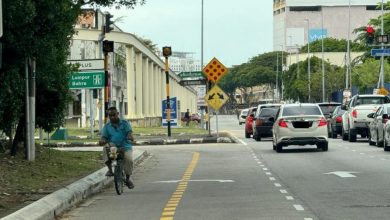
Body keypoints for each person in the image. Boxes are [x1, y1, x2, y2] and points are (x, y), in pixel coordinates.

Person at [99, 107, 135, 189]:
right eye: (110, 115)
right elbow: (104, 137)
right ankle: (110, 170)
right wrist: (102, 140)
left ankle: (128, 179)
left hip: (125, 146)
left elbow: (129, 132)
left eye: (114, 115)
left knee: (129, 160)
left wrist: (130, 136)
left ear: (117, 114)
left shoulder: (125, 123)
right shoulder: (107, 126)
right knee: (106, 147)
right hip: (113, 146)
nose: (112, 117)